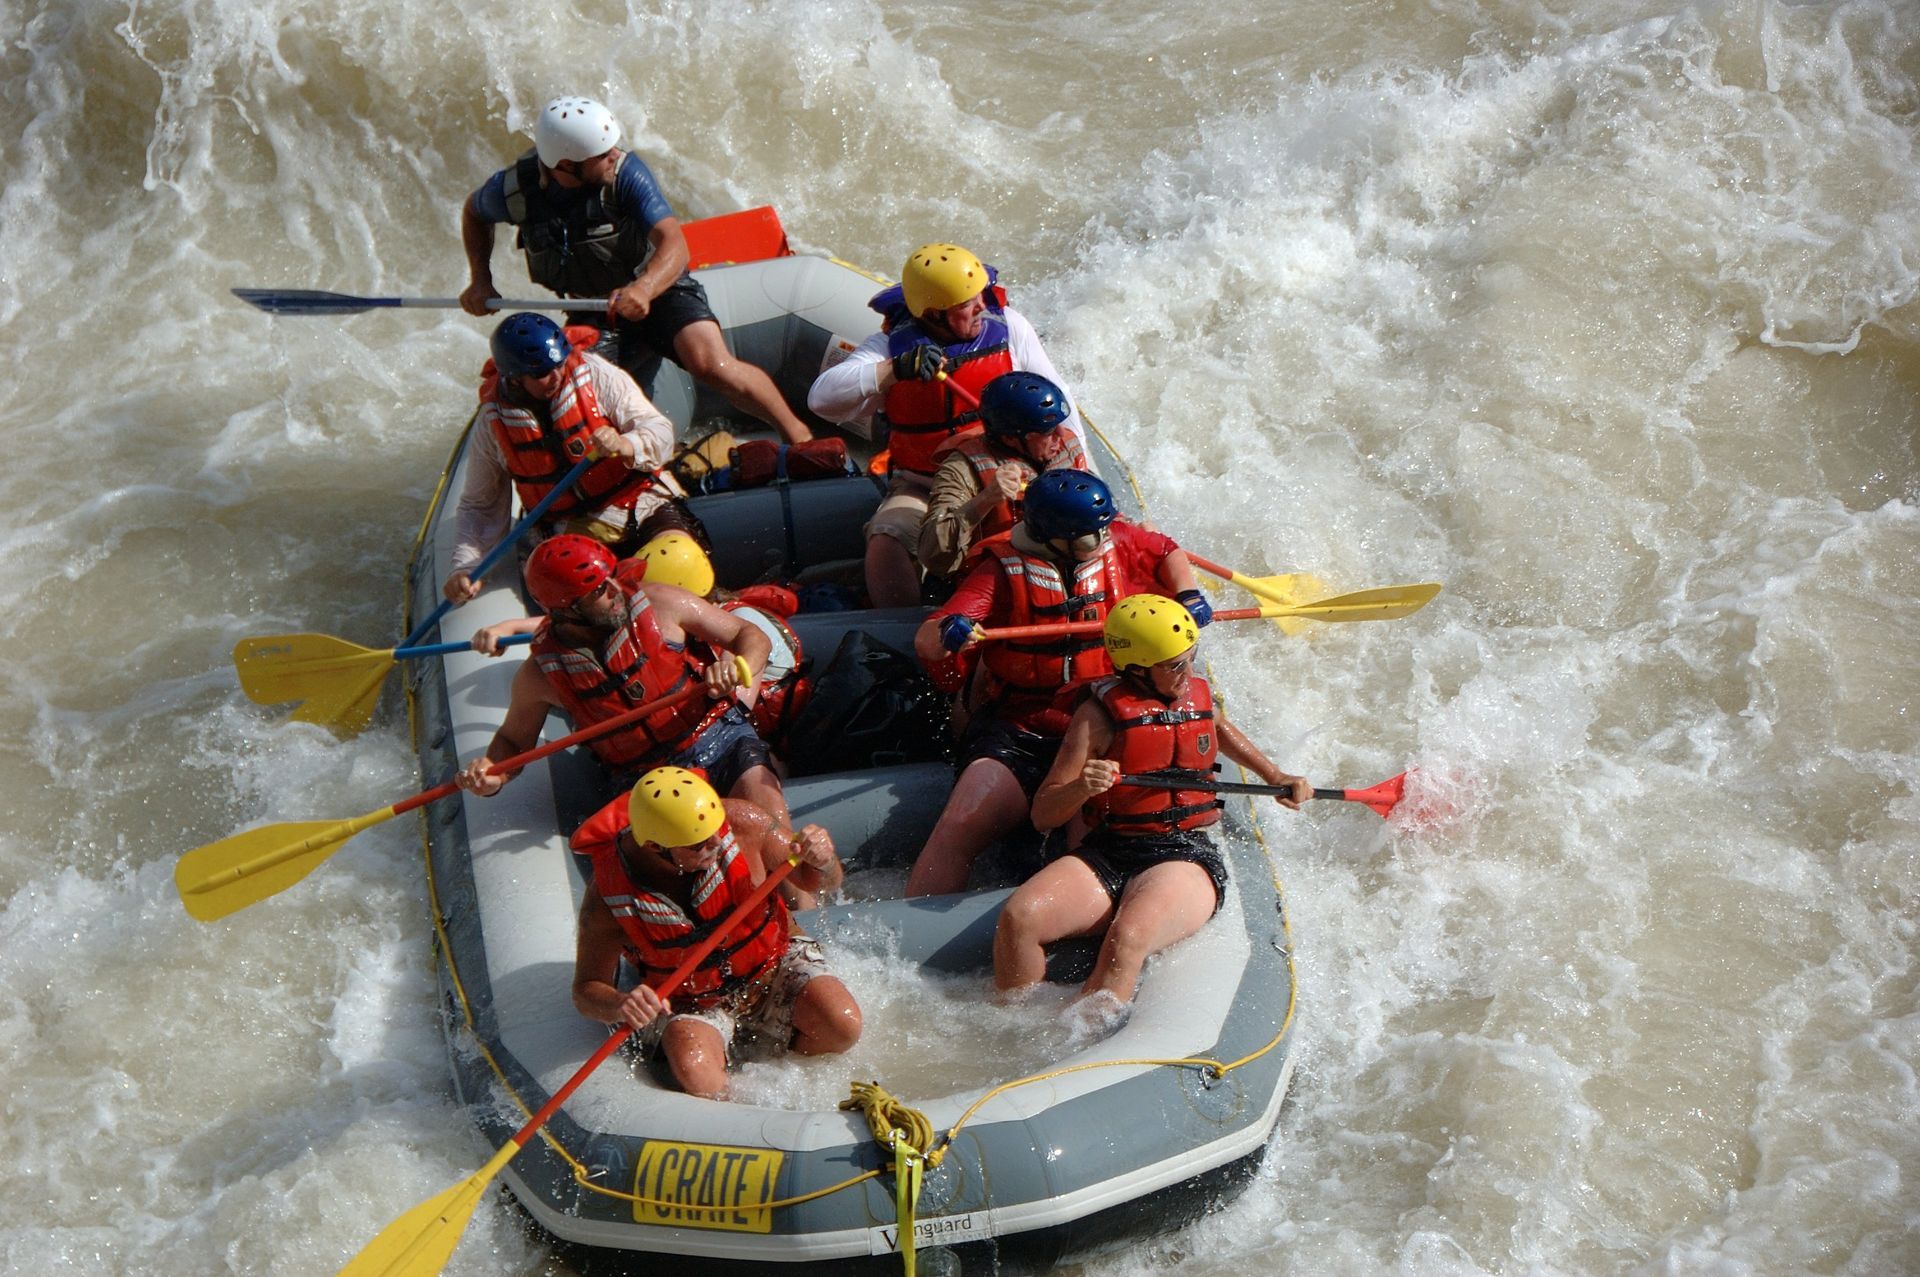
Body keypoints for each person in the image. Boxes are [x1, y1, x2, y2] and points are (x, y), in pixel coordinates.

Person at [994, 595, 1309, 1012]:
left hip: (1184, 854)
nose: (1187, 673)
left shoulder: (1194, 693)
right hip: (1112, 850)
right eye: (1175, 665)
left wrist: (1276, 776)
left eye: (1190, 658)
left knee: (1127, 939)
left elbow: (1221, 728)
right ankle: (1015, 1026)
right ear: (1138, 670)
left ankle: (1084, 1049)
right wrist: (1082, 788)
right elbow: (1043, 814)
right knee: (1020, 918)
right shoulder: (1097, 717)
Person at [905, 471, 1212, 897]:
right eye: (1092, 533)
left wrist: (1188, 594)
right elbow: (928, 638)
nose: (1105, 537)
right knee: (960, 823)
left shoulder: (1112, 539)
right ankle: (916, 931)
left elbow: (1166, 552)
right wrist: (949, 631)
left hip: (1101, 728)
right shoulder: (999, 570)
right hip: (1021, 729)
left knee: (1090, 844)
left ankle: (1080, 917)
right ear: (1056, 538)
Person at [458, 95, 812, 443]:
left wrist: (644, 288)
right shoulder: (513, 191)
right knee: (570, 395)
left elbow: (674, 242)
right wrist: (480, 280)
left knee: (710, 364)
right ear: (566, 166)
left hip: (661, 288)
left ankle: (798, 435)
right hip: (594, 308)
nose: (615, 154)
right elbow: (474, 214)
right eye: (602, 154)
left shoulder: (627, 174)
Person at [807, 243, 1084, 608]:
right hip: (925, 485)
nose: (982, 306)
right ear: (936, 314)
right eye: (967, 303)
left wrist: (1080, 477)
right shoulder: (889, 348)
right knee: (887, 539)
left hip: (1010, 478)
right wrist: (895, 370)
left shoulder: (1010, 327)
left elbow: (1057, 403)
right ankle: (906, 636)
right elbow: (820, 399)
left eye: (981, 294)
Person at [454, 534, 789, 828]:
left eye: (611, 577)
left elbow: (750, 635)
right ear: (567, 610)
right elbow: (514, 742)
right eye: (599, 589)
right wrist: (493, 773)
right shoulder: (540, 675)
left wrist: (740, 666)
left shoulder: (662, 603)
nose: (616, 589)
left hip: (718, 736)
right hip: (643, 777)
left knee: (767, 816)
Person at [570, 767, 861, 1099]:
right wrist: (622, 1004)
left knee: (843, 1026)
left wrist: (823, 860)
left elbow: (824, 882)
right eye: (698, 845)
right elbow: (585, 991)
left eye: (716, 830)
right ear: (654, 846)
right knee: (698, 1076)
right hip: (691, 1000)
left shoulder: (744, 823)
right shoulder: (607, 899)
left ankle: (785, 1067)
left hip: (774, 962)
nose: (717, 844)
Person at [471, 531, 814, 757]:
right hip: (659, 755)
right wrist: (513, 625)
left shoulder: (705, 620)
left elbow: (739, 705)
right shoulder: (652, 616)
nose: (630, 597)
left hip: (764, 724)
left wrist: (726, 679)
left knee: (763, 762)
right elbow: (588, 623)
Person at [443, 312, 698, 605]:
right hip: (569, 530)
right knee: (593, 605)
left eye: (558, 364)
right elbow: (480, 505)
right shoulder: (493, 422)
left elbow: (660, 430)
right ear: (514, 378)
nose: (556, 376)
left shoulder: (596, 374)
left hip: (641, 504)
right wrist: (466, 566)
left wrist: (626, 443)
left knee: (679, 559)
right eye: (541, 373)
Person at [917, 371, 1094, 579]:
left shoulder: (1066, 446)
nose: (1061, 435)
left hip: (1065, 571)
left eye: (1058, 425)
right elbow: (931, 554)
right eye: (1048, 430)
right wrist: (986, 498)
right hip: (999, 581)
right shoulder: (961, 467)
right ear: (1011, 438)